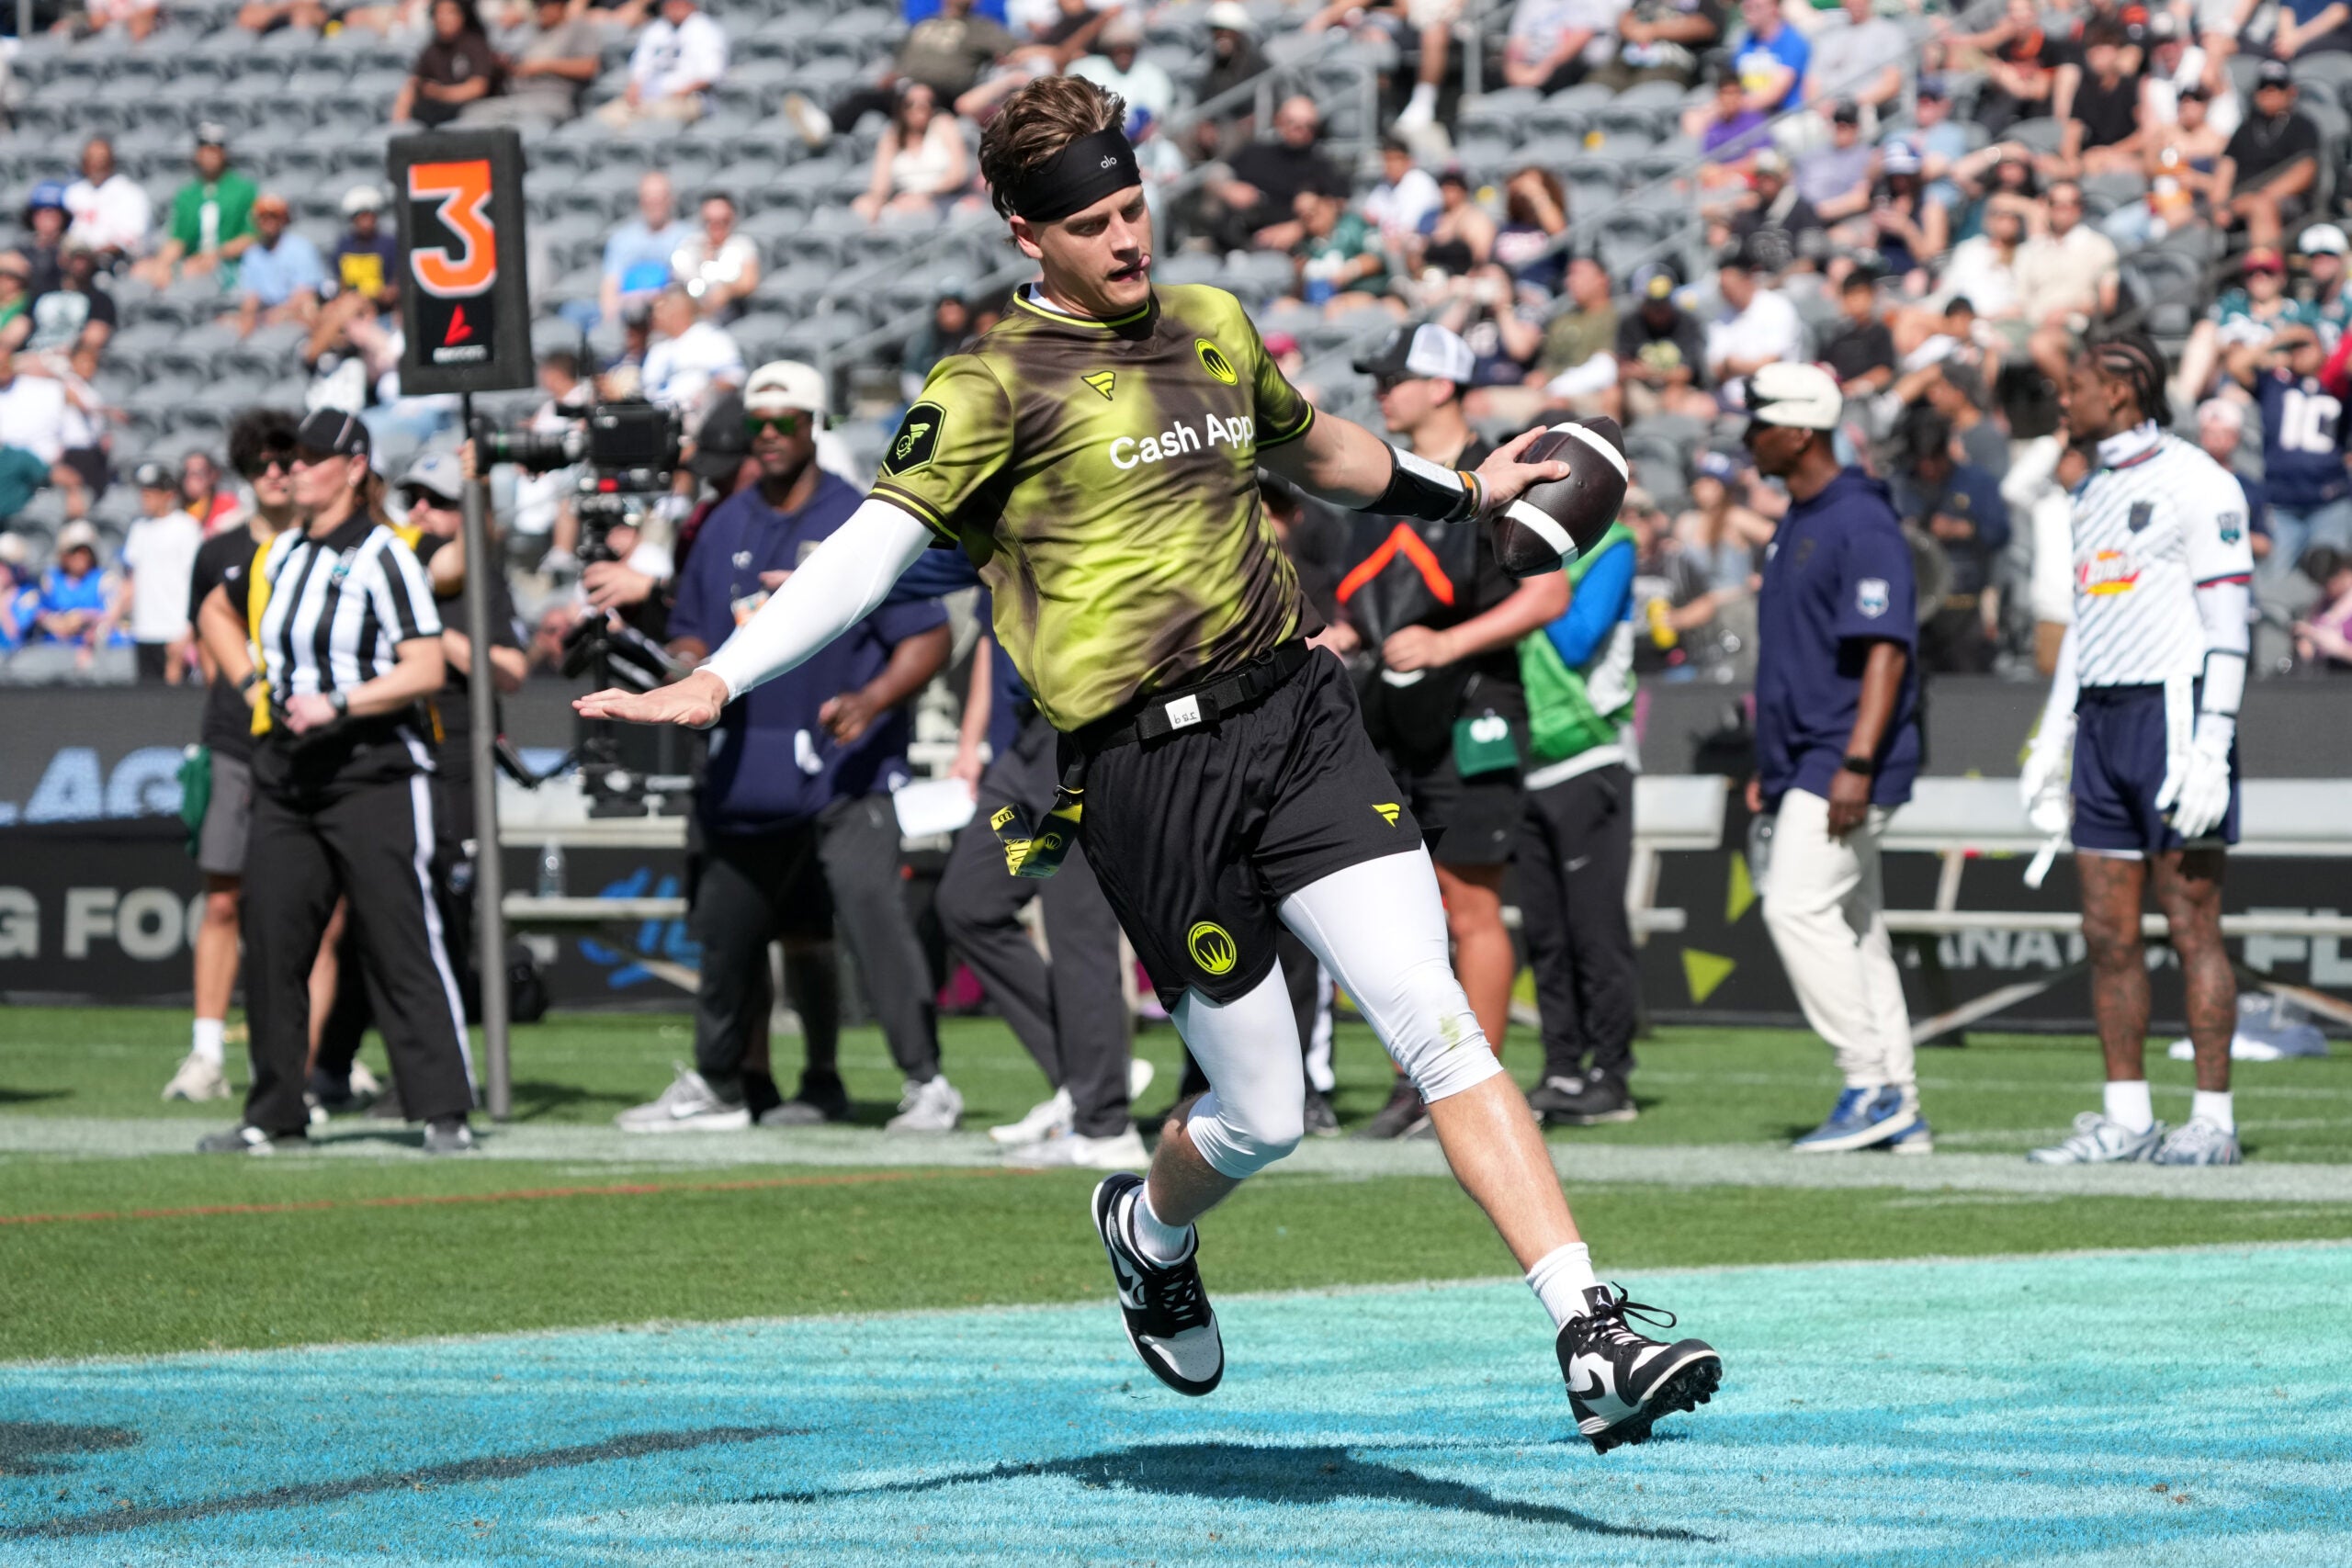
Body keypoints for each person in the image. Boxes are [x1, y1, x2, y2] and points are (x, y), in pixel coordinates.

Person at [577, 76, 1722, 1449]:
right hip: (1142, 774)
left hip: (1298, 717)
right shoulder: (986, 384)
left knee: (1434, 1015)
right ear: (1024, 232)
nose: (1129, 239)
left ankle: (1587, 1323)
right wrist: (720, 674)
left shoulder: (1210, 323)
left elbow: (1326, 451)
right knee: (1264, 1108)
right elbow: (871, 555)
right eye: (1097, 222)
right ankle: (1149, 1225)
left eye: (1136, 208)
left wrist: (1466, 485)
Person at [614, 360, 959, 1134]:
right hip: (746, 767)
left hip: (845, 769)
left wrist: (872, 699)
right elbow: (692, 630)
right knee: (730, 929)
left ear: (816, 427)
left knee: (871, 923)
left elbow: (928, 634)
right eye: (757, 424)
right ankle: (728, 1080)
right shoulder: (727, 522)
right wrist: (686, 663)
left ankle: (925, 1080)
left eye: (786, 422)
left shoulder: (861, 519)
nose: (768, 437)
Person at [189, 408, 479, 1156]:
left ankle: (444, 1109)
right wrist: (258, 688)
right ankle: (274, 1114)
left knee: (398, 935)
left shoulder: (387, 554)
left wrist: (342, 701)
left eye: (312, 458)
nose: (293, 470)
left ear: (353, 468)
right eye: (287, 458)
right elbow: (217, 609)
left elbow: (426, 667)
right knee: (275, 938)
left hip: (372, 767)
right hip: (288, 771)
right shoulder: (281, 553)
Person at [1326, 323, 1568, 1139]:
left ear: (1442, 386)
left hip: (1475, 715)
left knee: (1470, 906)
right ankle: (1415, 1083)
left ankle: (1475, 1090)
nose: (1382, 391)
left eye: (1394, 377)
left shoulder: (1500, 474)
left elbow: (1547, 597)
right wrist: (1342, 637)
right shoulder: (1389, 480)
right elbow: (1367, 606)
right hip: (1390, 720)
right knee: (1402, 913)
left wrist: (1446, 642)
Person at [2018, 333, 2254, 1166]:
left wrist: (2214, 744)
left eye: (2074, 385)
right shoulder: (2088, 494)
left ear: (2120, 392)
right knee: (2106, 930)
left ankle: (2214, 1122)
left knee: (2192, 921)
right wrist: (2053, 735)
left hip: (2176, 710)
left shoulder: (2201, 482)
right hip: (2104, 719)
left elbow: (2230, 624)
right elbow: (2084, 628)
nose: (2063, 400)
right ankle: (2127, 1115)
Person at [1745, 361, 1928, 1156]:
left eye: (1758, 420)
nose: (1748, 434)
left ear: (1798, 430)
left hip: (1846, 755)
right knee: (1859, 930)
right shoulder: (1802, 515)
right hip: (1812, 755)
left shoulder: (1860, 521)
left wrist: (1854, 763)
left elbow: (1886, 652)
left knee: (1796, 905)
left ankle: (1868, 1083)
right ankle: (1901, 1102)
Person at [937, 596, 1144, 1169]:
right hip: (1020, 754)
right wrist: (970, 743)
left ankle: (1106, 1124)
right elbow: (987, 636)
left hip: (1082, 746)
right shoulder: (1005, 522)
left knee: (1076, 931)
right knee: (969, 903)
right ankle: (1087, 1077)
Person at [164, 410, 304, 1104]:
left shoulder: (323, 544)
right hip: (233, 739)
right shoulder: (216, 550)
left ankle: (315, 1055)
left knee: (319, 909)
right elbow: (205, 642)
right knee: (223, 900)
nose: (275, 473)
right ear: (246, 474)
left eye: (285, 459)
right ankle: (206, 1050)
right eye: (261, 463)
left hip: (312, 740)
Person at [1515, 496, 1642, 1126]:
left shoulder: (1612, 543)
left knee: (1595, 929)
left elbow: (1575, 637)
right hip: (1524, 757)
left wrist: (1532, 570)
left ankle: (1612, 1075)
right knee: (1545, 932)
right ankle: (1561, 1067)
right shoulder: (1517, 543)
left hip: (1590, 756)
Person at [1895, 408, 2011, 673]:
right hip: (1914, 610)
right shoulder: (1900, 486)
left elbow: (2000, 532)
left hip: (1964, 607)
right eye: (1922, 460)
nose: (1929, 468)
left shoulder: (1976, 482)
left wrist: (1964, 529)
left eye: (1935, 459)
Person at [2241, 323, 2352, 581]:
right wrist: (2278, 340)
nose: (2299, 352)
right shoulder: (2275, 383)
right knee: (2275, 580)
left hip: (2329, 501)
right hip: (2282, 504)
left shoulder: (2337, 386)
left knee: (2330, 575)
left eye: (2306, 346)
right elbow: (2238, 366)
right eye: (2294, 348)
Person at [113, 462, 206, 683]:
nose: (145, 497)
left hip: (173, 630)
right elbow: (132, 581)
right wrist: (111, 618)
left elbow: (198, 581)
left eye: (151, 492)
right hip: (144, 630)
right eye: (143, 492)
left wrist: (188, 631)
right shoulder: (139, 529)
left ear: (168, 494)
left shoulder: (186, 528)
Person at [134, 127, 258, 291]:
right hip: (194, 260)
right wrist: (161, 265)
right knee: (141, 271)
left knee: (191, 272)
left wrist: (218, 253)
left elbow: (252, 237)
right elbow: (178, 239)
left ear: (223, 154)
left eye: (214, 151)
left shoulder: (244, 189)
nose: (209, 157)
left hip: (229, 263)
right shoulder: (188, 193)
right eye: (205, 151)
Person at [2218, 62, 2320, 250]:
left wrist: (2261, 196)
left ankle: (2266, 270)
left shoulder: (2302, 125)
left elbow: (2305, 171)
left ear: (2291, 91)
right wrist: (2220, 206)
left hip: (2287, 202)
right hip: (2239, 202)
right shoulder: (2244, 129)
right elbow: (2225, 169)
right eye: (2264, 87)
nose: (2270, 92)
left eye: (2277, 87)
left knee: (2261, 206)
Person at [458, 0, 600, 129]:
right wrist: (507, 65)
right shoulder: (532, 30)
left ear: (561, 5)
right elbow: (518, 64)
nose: (540, 10)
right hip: (517, 98)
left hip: (552, 100)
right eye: (537, 5)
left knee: (522, 133)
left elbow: (589, 67)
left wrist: (545, 66)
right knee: (472, 114)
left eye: (545, 5)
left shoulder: (579, 27)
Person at [853, 83, 970, 224]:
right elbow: (880, 184)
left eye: (927, 103)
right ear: (901, 108)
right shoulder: (892, 136)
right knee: (863, 206)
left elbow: (957, 175)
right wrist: (876, 202)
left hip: (941, 197)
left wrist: (924, 194)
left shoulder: (943, 125)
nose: (919, 109)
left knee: (914, 210)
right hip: (904, 198)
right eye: (911, 104)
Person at [597, 0, 728, 129]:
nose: (674, 7)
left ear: (691, 4)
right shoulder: (657, 28)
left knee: (656, 121)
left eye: (679, 3)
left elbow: (710, 75)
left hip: (688, 99)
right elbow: (639, 68)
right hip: (648, 98)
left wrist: (678, 93)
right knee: (604, 118)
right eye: (670, 3)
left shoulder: (705, 30)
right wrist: (634, 88)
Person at [392, 0, 503, 129]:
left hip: (474, 110)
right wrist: (399, 121)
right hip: (440, 112)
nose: (443, 18)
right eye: (439, 13)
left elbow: (477, 87)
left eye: (450, 12)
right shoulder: (430, 50)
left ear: (462, 16)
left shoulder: (475, 44)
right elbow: (413, 84)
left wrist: (441, 93)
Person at [600, 174, 691, 327]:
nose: (654, 204)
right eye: (648, 198)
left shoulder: (688, 238)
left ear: (670, 200)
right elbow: (610, 286)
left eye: (659, 198)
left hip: (672, 318)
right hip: (630, 318)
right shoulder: (622, 239)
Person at [639, 285, 745, 414]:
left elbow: (733, 378)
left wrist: (705, 395)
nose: (654, 315)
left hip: (700, 418)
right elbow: (648, 390)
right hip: (658, 419)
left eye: (661, 309)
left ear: (679, 310)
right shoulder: (657, 348)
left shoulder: (711, 338)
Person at [234, 195, 327, 337]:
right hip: (266, 312)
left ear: (283, 219)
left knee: (309, 309)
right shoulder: (252, 254)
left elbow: (305, 294)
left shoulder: (301, 248)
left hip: (294, 309)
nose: (268, 222)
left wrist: (279, 313)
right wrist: (247, 320)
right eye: (263, 217)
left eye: (273, 216)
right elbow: (251, 297)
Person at [62, 136, 151, 267]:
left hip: (115, 263)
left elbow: (131, 240)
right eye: (91, 158)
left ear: (112, 161)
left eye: (102, 159)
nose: (97, 164)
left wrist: (91, 255)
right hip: (74, 262)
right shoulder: (73, 193)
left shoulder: (130, 193)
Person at [672, 193, 761, 319]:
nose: (716, 226)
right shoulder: (690, 245)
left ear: (732, 219)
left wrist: (727, 290)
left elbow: (748, 282)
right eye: (710, 221)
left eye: (723, 221)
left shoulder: (741, 245)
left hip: (730, 317)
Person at [2291, 545, 2352, 669]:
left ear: (2342, 572)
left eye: (2329, 584)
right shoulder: (2323, 603)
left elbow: (2337, 646)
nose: (2327, 590)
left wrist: (2341, 649)